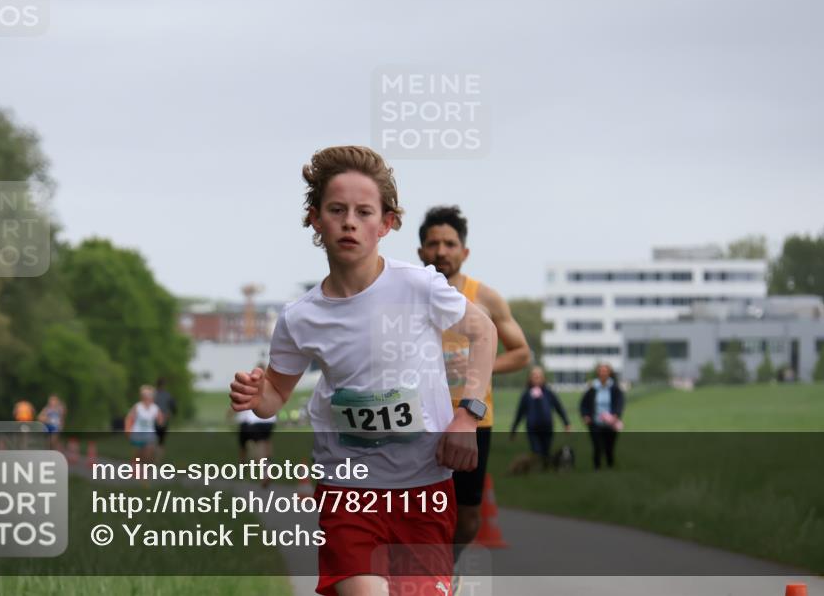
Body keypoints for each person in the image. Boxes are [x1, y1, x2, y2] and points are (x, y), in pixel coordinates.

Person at [230, 145, 496, 596]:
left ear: (386, 223)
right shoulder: (301, 318)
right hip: (348, 489)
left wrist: (467, 413)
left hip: (425, 488)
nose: (349, 221)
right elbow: (276, 391)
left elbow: (484, 332)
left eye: (363, 211)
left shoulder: (418, 286)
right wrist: (258, 395)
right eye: (337, 210)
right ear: (316, 219)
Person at [417, 205, 530, 555]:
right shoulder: (407, 292)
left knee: (466, 517)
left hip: (473, 418)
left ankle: (443, 574)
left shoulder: (484, 297)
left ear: (464, 251)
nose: (441, 251)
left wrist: (478, 368)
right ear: (421, 251)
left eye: (450, 244)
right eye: (433, 244)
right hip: (421, 418)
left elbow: (522, 353)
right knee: (420, 512)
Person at [510, 367, 570, 463]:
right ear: (530, 378)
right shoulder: (526, 395)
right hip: (532, 428)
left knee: (546, 451)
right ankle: (536, 469)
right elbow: (519, 413)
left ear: (543, 378)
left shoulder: (549, 393)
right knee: (536, 451)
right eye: (534, 376)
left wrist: (566, 423)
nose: (537, 378)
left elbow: (559, 408)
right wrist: (513, 430)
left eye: (539, 376)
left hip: (547, 427)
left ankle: (545, 469)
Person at [580, 363, 625, 470]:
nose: (603, 373)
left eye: (605, 371)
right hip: (595, 422)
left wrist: (616, 414)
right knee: (597, 446)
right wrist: (585, 415)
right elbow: (583, 404)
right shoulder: (592, 388)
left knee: (609, 447)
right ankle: (597, 467)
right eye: (601, 371)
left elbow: (620, 402)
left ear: (609, 373)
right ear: (598, 373)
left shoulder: (614, 387)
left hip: (611, 423)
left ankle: (610, 465)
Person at [126, 385, 165, 465]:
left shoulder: (155, 408)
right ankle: (134, 464)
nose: (148, 397)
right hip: (137, 432)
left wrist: (161, 421)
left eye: (150, 395)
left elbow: (160, 420)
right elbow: (129, 418)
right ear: (142, 396)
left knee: (148, 452)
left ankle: (144, 470)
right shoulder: (138, 406)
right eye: (145, 395)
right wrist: (128, 429)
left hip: (149, 433)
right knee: (138, 453)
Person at [153, 377, 177, 461]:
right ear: (164, 385)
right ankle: (157, 461)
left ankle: (151, 460)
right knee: (161, 442)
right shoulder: (168, 395)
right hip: (163, 421)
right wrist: (170, 414)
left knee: (153, 441)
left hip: (153, 421)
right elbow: (174, 408)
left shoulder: (153, 395)